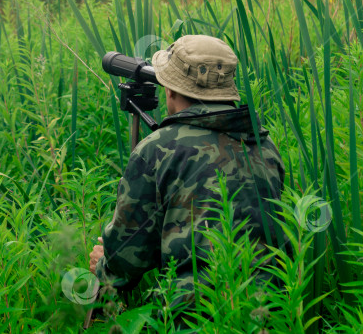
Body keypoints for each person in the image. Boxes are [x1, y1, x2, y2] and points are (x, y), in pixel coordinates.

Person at [88, 35, 285, 327]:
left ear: (169, 90)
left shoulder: (158, 150)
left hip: (193, 319)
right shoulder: (265, 147)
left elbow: (127, 260)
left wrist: (104, 265)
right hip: (269, 315)